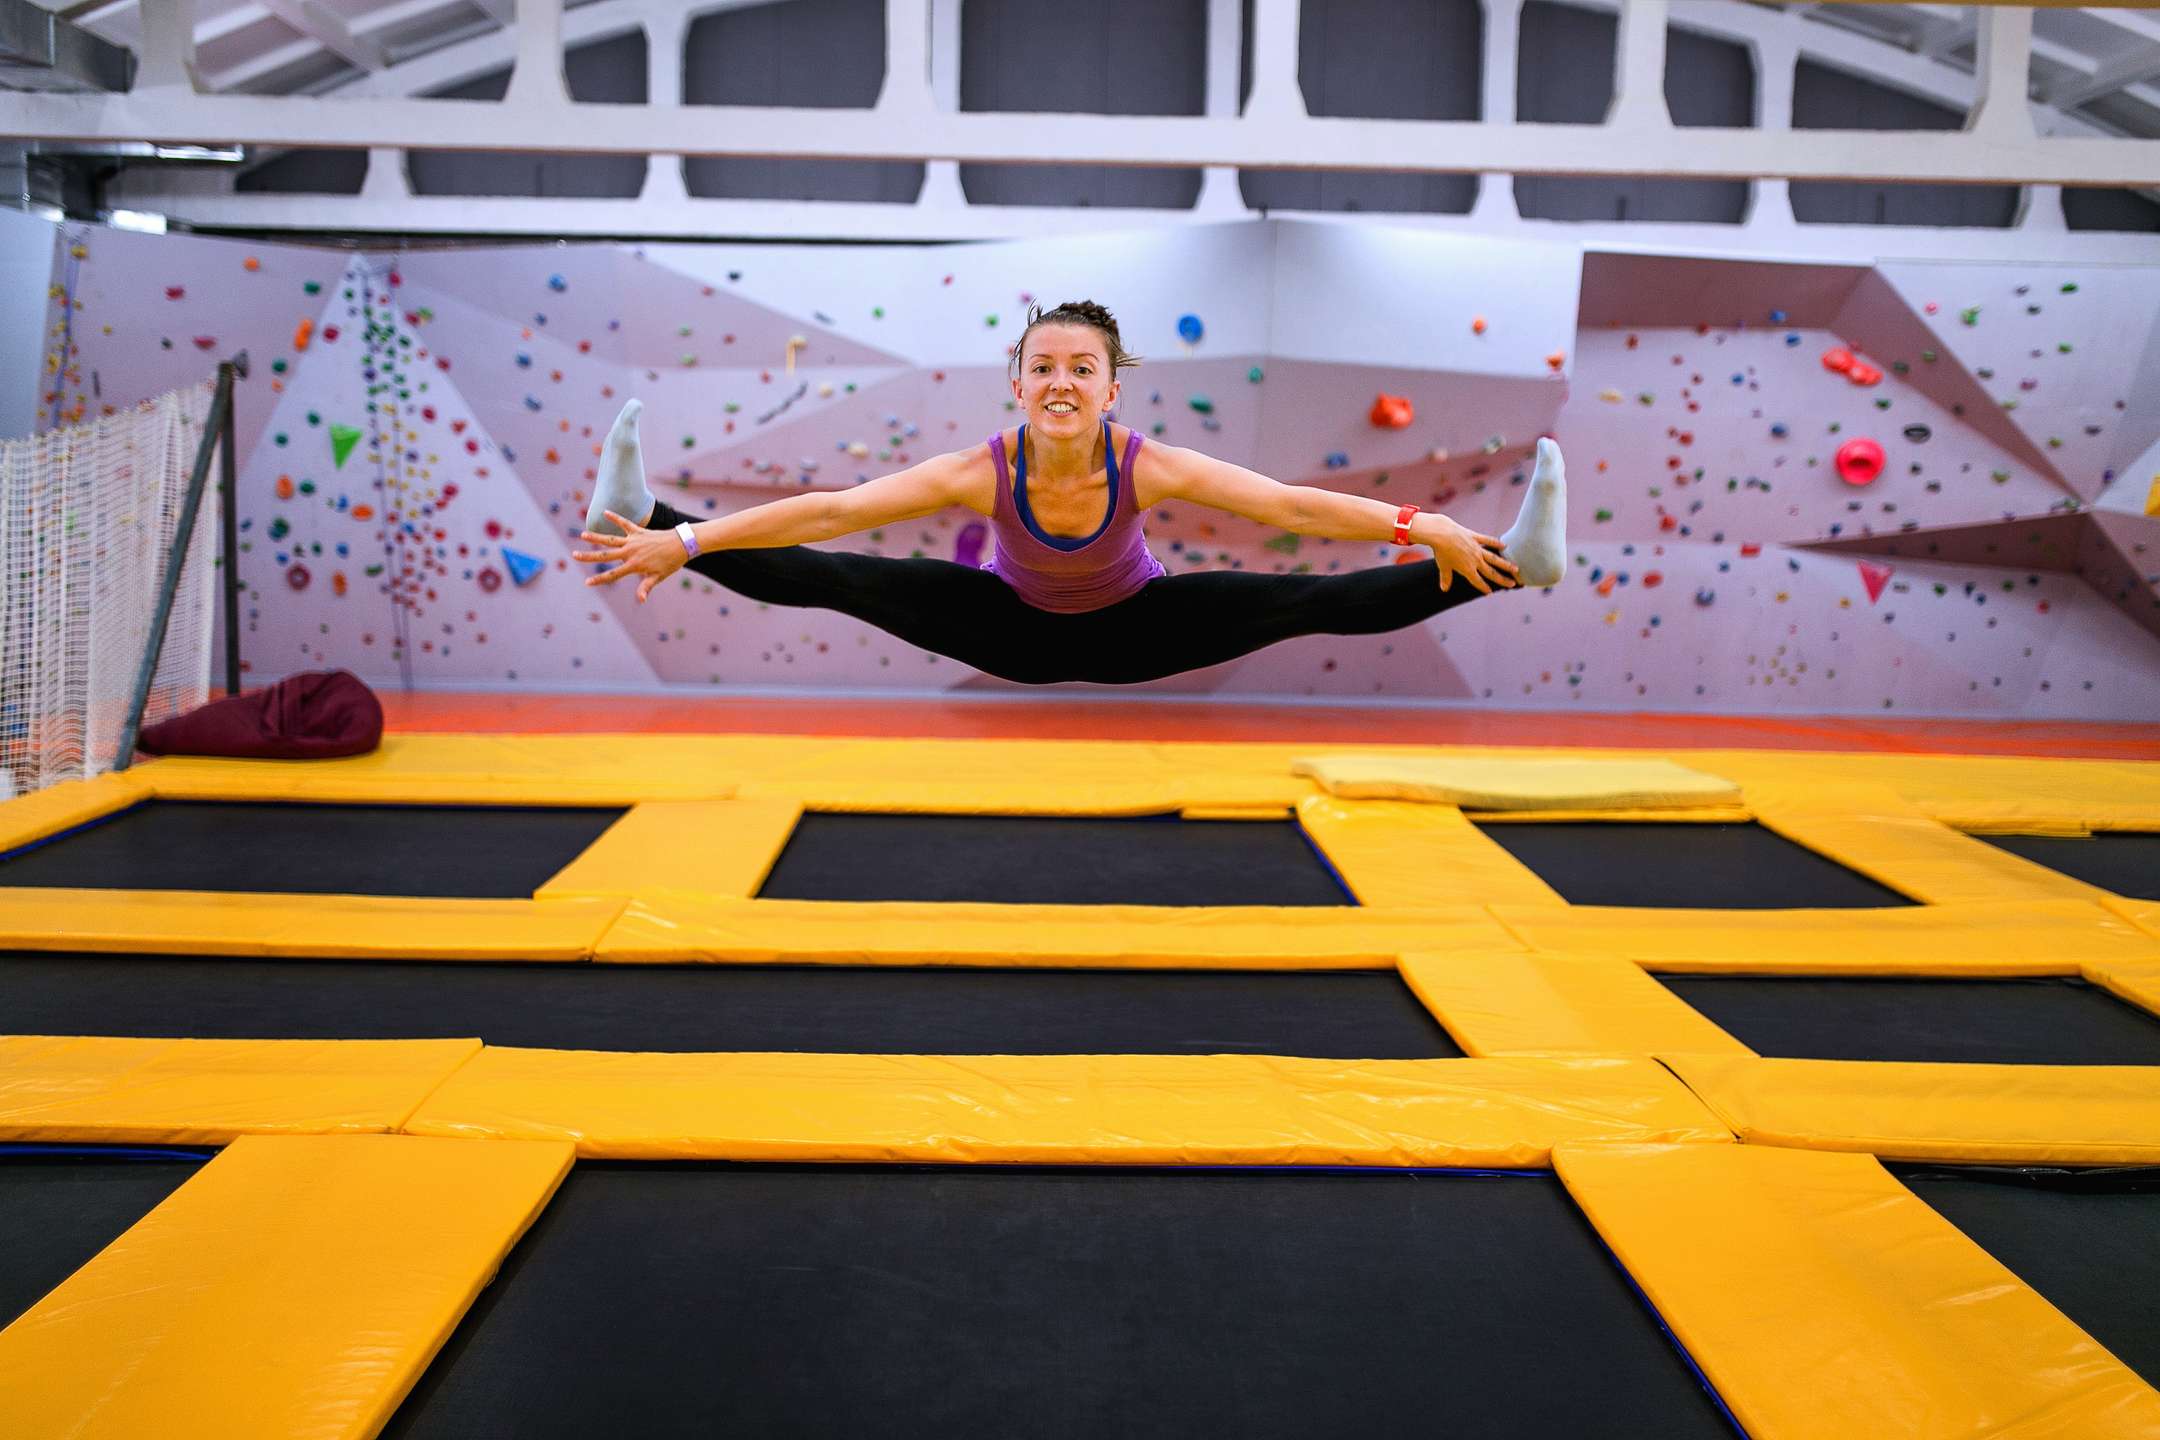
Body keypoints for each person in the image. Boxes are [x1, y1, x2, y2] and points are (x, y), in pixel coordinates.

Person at [572, 299, 1565, 686]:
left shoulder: (1146, 463)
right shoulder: (980, 469)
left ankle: (1513, 565)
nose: (1060, 383)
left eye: (1081, 369)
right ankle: (645, 515)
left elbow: (1288, 507)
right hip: (1010, 629)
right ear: (1018, 385)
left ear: (1109, 390)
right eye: (1042, 367)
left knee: (1302, 599)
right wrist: (685, 543)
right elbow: (833, 513)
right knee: (843, 574)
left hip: (1140, 627)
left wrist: (1420, 522)